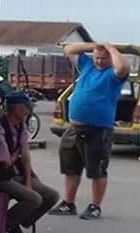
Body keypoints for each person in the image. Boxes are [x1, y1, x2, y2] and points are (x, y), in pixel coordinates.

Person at [52, 42, 130, 220]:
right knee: (70, 168)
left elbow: (123, 67)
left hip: (98, 129)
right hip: (74, 127)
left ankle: (95, 206)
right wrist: (95, 45)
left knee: (97, 170)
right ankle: (68, 203)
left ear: (111, 58)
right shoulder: (87, 66)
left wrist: (111, 48)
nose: (99, 61)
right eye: (97, 58)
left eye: (103, 59)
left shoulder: (114, 75)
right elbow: (69, 49)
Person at [0, 91, 60, 233]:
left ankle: (17, 223)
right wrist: (18, 152)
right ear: (17, 109)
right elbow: (6, 162)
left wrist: (29, 180)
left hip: (17, 173)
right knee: (34, 199)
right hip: (2, 177)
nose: (29, 111)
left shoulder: (21, 126)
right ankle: (0, 226)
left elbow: (26, 155)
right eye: (27, 108)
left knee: (51, 195)